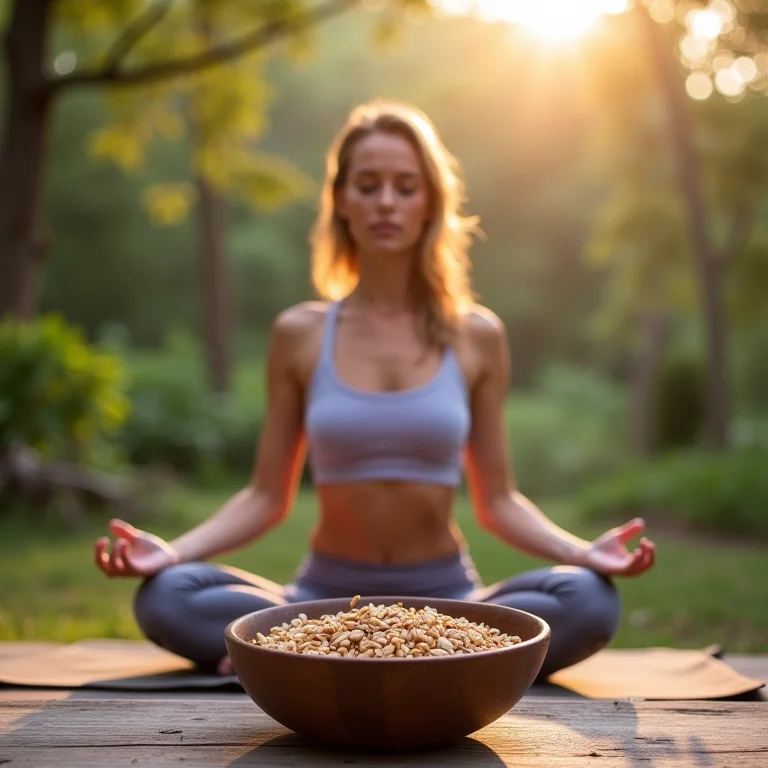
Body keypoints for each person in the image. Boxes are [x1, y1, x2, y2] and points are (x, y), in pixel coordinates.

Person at [94, 99, 655, 679]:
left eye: (406, 186)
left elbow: (498, 501)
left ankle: (296, 662)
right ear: (340, 199)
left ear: (431, 202)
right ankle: (425, 663)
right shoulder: (300, 333)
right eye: (368, 185)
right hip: (318, 603)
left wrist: (580, 553)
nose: (386, 201)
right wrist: (174, 551)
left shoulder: (477, 335)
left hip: (450, 604)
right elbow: (266, 496)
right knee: (168, 594)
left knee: (588, 599)